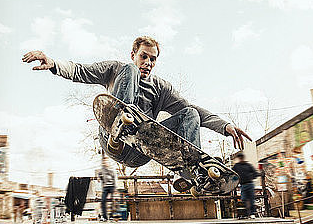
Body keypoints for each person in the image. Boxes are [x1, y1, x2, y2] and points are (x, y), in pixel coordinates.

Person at [22, 36, 251, 190]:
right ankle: (122, 119)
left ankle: (191, 172)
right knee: (128, 71)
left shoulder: (161, 87)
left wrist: (224, 126)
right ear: (133, 53)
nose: (148, 63)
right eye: (144, 56)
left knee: (189, 113)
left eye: (153, 59)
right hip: (114, 142)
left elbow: (194, 113)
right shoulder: (117, 69)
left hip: (141, 152)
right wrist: (52, 63)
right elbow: (81, 71)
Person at [232, 151, 259, 218]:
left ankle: (252, 213)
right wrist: (236, 180)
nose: (241, 159)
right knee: (244, 199)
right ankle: (245, 213)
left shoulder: (248, 165)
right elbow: (232, 174)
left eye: (242, 158)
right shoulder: (236, 166)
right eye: (240, 158)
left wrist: (250, 177)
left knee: (251, 199)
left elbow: (255, 173)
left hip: (249, 184)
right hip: (243, 185)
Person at [100, 155, 116, 221]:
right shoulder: (102, 169)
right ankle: (104, 216)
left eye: (106, 162)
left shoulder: (111, 169)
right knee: (103, 201)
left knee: (113, 200)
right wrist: (99, 177)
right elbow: (100, 174)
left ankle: (112, 215)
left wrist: (115, 188)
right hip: (105, 187)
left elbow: (115, 178)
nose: (105, 163)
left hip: (112, 186)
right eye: (104, 162)